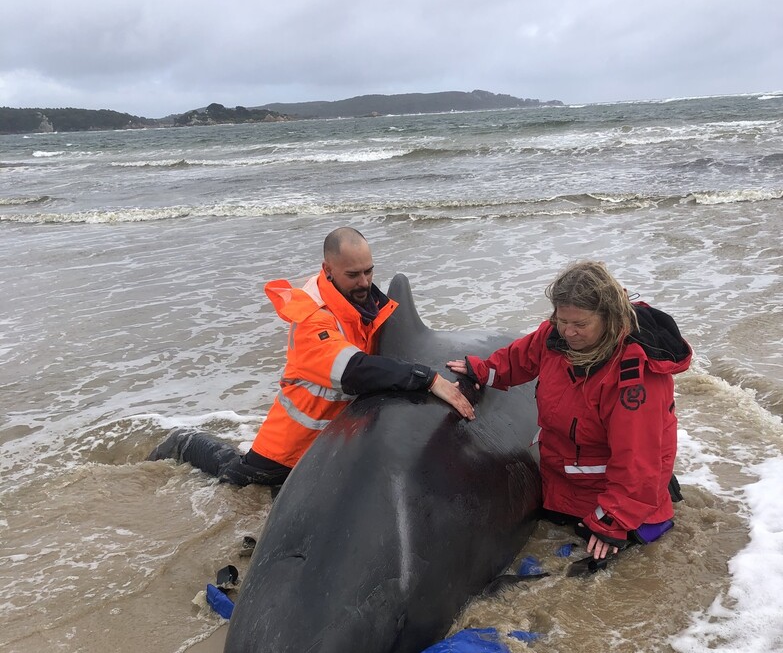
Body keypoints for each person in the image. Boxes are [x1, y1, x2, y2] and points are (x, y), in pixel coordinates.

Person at [148, 227, 474, 486]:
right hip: (291, 447)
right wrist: (426, 378)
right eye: (353, 275)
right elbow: (352, 371)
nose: (364, 283)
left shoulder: (366, 304)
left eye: (369, 272)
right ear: (328, 270)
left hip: (334, 439)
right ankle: (183, 443)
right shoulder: (312, 319)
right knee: (237, 478)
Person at [446, 261, 692, 563]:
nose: (568, 332)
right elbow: (520, 358)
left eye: (581, 324)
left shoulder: (635, 379)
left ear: (608, 318)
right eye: (562, 320)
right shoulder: (556, 336)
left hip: (621, 496)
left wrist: (612, 521)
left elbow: (638, 461)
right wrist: (481, 370)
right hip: (566, 480)